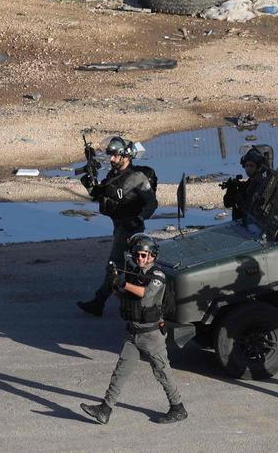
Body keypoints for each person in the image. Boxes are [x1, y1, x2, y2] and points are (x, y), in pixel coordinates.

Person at [80, 234, 188, 425]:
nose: (140, 259)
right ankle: (105, 409)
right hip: (133, 333)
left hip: (151, 335)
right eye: (137, 255)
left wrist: (123, 283)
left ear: (152, 256)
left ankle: (178, 407)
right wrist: (114, 287)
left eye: (144, 256)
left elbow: (144, 295)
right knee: (121, 371)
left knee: (162, 372)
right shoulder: (135, 275)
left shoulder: (157, 277)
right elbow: (128, 300)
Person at [77, 136, 158, 317]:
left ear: (126, 156)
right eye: (110, 155)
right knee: (126, 267)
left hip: (129, 228)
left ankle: (101, 302)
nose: (111, 159)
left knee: (114, 266)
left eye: (115, 156)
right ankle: (132, 299)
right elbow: (103, 196)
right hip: (118, 225)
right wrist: (90, 185)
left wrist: (138, 218)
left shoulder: (137, 177)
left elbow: (151, 203)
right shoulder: (113, 176)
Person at [221, 148, 270, 223]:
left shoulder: (259, 182)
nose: (248, 169)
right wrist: (233, 187)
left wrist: (236, 194)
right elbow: (227, 203)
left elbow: (248, 207)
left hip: (250, 223)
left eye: (251, 166)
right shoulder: (252, 180)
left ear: (258, 167)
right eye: (246, 166)